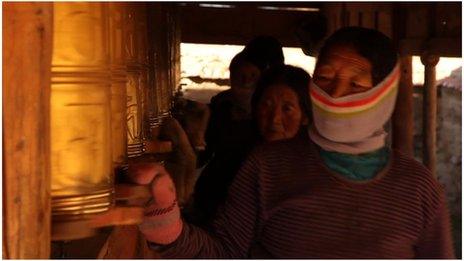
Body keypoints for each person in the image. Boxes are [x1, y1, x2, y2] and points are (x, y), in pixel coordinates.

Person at [134, 27, 454, 258]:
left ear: (384, 94)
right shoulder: (268, 166)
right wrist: (168, 227)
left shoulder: (418, 188)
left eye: (356, 83)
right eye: (325, 78)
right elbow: (223, 252)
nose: (336, 94)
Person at [187, 65, 311, 228]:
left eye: (287, 109)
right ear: (255, 107)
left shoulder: (314, 164)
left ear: (305, 116)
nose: (275, 118)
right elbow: (205, 205)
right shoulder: (235, 152)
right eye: (266, 105)